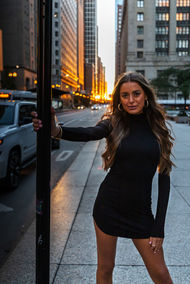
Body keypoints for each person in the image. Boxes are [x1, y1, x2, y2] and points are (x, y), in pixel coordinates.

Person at [32, 72, 175, 284]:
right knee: (106, 269)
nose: (131, 100)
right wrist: (56, 130)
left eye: (136, 94)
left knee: (161, 274)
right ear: (119, 99)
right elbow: (90, 132)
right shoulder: (114, 123)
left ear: (146, 96)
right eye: (125, 95)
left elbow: (164, 178)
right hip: (109, 207)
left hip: (141, 213)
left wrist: (159, 227)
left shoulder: (158, 128)